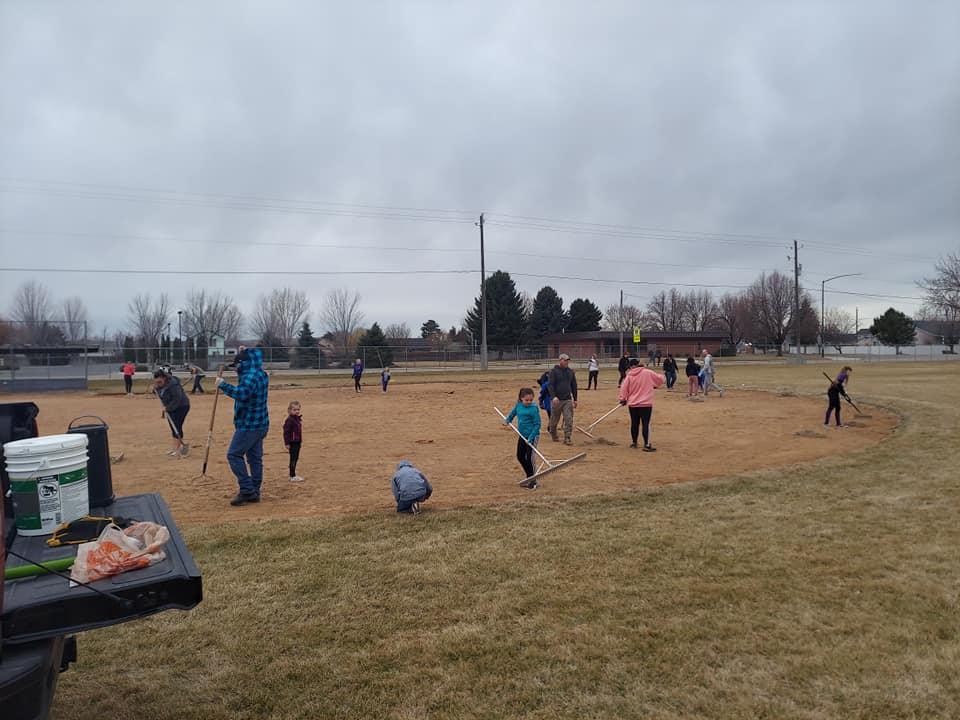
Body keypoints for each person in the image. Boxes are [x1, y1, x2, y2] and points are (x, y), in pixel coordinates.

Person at [215, 347, 270, 507]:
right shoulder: (259, 372)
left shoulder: (251, 376)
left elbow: (242, 394)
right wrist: (245, 351)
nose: (235, 369)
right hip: (260, 423)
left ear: (243, 364)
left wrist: (223, 385)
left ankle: (247, 490)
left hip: (249, 425)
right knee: (254, 458)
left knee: (234, 455)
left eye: (237, 366)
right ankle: (255, 490)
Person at [618, 358, 665, 451]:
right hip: (645, 404)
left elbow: (624, 388)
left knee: (634, 423)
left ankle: (634, 442)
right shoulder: (647, 372)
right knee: (645, 424)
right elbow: (660, 379)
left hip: (633, 404)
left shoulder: (629, 376)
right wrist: (659, 379)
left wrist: (623, 399)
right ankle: (646, 444)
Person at [503, 387, 542, 489]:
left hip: (532, 436)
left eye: (531, 400)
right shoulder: (518, 406)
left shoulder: (533, 409)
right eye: (526, 400)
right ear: (521, 399)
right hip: (522, 435)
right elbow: (513, 413)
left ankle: (533, 481)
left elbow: (537, 424)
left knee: (530, 458)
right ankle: (529, 477)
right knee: (520, 456)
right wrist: (508, 419)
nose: (529, 402)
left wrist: (531, 437)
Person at [153, 369, 190, 458]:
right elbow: (160, 392)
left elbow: (177, 398)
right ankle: (175, 448)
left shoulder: (173, 384)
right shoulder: (160, 385)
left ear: (164, 378)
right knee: (173, 428)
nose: (158, 384)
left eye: (160, 382)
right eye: (157, 382)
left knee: (176, 427)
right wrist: (155, 389)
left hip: (181, 406)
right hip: (171, 408)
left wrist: (168, 407)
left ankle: (178, 450)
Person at [547, 353, 578, 445]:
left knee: (568, 419)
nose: (566, 362)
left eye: (568, 360)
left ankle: (567, 438)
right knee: (554, 420)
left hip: (567, 400)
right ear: (560, 360)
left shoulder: (570, 372)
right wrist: (553, 397)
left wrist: (575, 399)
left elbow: (574, 386)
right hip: (557, 400)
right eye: (565, 360)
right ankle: (553, 434)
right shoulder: (554, 372)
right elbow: (550, 385)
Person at [283, 400, 303, 482]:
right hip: (293, 442)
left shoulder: (297, 419)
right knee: (293, 459)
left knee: (296, 458)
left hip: (297, 441)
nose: (297, 411)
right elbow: (286, 432)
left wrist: (300, 440)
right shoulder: (289, 420)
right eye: (294, 410)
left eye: (298, 409)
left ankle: (293, 474)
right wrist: (287, 443)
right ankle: (292, 475)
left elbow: (298, 432)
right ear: (289, 410)